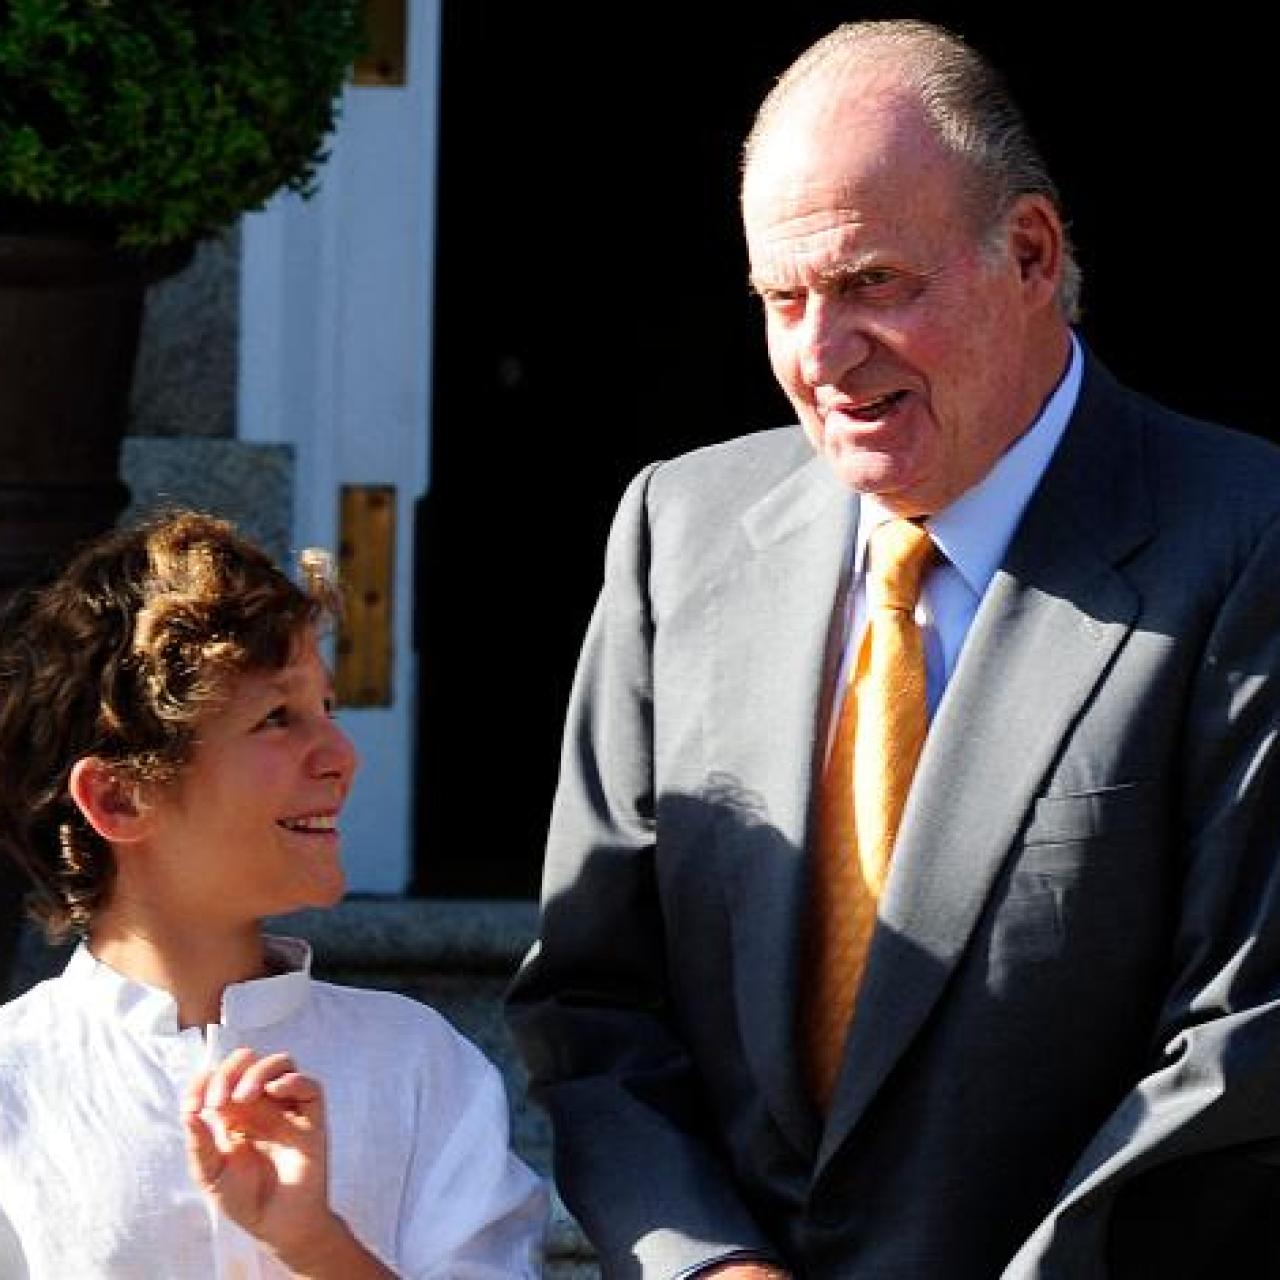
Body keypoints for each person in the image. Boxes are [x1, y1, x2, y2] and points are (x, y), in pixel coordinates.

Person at [506, 17, 1280, 1279]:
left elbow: (1245, 1045)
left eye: (873, 284)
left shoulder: (1242, 541)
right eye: (781, 298)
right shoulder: (677, 531)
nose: (820, 355)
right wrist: (706, 1261)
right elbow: (592, 1001)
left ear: (1028, 252)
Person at [0, 511, 548, 1278]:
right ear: (120, 800)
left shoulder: (419, 1066)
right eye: (276, 718)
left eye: (327, 708)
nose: (341, 756)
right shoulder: (16, 1083)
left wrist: (317, 1245)